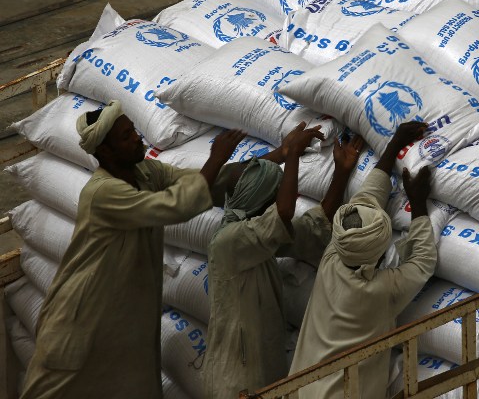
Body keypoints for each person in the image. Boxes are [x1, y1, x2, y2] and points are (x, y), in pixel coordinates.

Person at [21, 100, 246, 399]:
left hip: (123, 328)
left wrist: (280, 157)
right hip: (81, 322)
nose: (137, 138)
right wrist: (216, 157)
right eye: (126, 136)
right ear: (106, 152)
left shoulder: (145, 172)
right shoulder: (103, 193)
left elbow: (199, 181)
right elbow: (175, 205)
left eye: (134, 131)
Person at [203, 123, 364, 398]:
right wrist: (292, 156)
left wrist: (341, 172)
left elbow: (314, 226)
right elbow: (284, 212)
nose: (282, 198)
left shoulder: (259, 237)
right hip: (234, 381)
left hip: (260, 373)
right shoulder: (229, 242)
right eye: (275, 195)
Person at [288, 121, 437, 399]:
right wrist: (418, 205)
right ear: (380, 250)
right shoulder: (381, 289)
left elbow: (366, 198)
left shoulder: (334, 256)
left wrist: (394, 145)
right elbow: (422, 262)